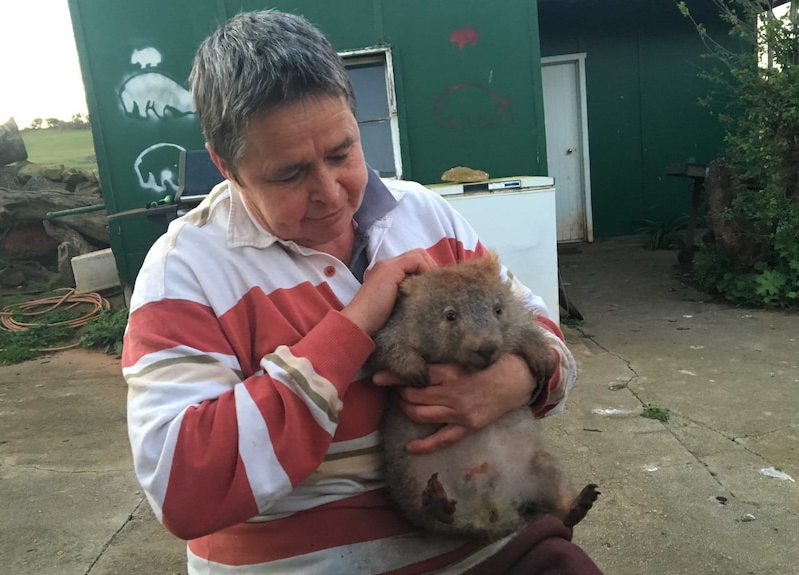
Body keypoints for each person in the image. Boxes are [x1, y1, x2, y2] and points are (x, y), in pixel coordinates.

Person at [122, 9, 603, 575]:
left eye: (341, 153)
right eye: (289, 174)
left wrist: (517, 379)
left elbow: (545, 337)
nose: (330, 192)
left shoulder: (425, 214)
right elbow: (181, 487)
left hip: (492, 539)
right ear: (226, 165)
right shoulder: (185, 268)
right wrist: (354, 325)